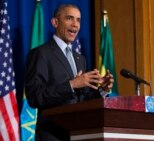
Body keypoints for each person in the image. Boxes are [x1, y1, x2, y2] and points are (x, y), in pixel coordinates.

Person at [24, 4, 114, 141]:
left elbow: (80, 99)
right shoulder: (40, 54)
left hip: (78, 134)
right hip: (52, 136)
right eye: (69, 18)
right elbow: (35, 97)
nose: (75, 24)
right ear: (55, 22)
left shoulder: (80, 59)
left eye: (78, 20)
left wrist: (102, 90)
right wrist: (72, 84)